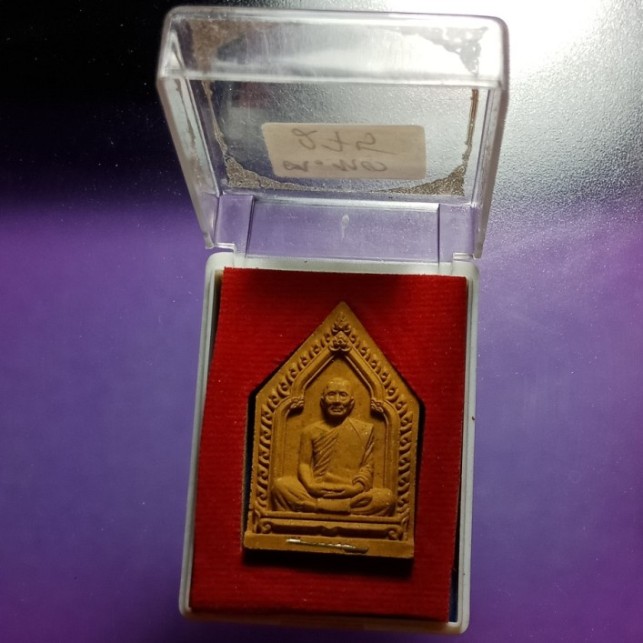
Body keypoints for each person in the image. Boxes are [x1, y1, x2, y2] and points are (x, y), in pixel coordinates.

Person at [271, 377, 394, 515]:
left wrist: (357, 489)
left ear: (351, 403)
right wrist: (310, 485)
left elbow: (367, 467)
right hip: (316, 491)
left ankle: (314, 508)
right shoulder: (310, 431)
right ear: (323, 401)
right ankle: (338, 508)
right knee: (280, 486)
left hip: (350, 493)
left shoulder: (363, 430)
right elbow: (304, 464)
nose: (337, 401)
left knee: (386, 498)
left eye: (343, 395)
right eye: (331, 395)